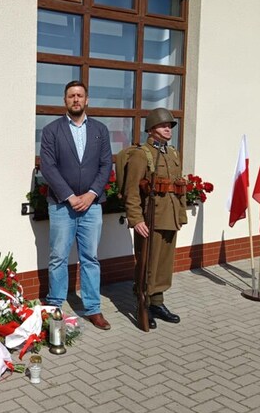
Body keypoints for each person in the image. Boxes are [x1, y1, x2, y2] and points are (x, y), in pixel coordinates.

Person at [39, 80, 113, 330]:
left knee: (90, 258)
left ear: (87, 99)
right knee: (58, 257)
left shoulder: (100, 130)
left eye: (80, 95)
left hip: (92, 205)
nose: (76, 99)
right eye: (71, 95)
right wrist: (70, 196)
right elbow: (48, 166)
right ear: (65, 100)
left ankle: (93, 308)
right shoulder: (52, 130)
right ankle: (55, 306)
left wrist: (91, 194)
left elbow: (106, 164)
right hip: (62, 205)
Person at [122, 108, 187, 328]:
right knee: (147, 264)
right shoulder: (142, 154)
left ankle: (157, 303)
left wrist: (181, 215)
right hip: (151, 219)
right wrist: (136, 220)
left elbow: (179, 186)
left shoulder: (173, 153)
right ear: (151, 129)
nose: (168, 129)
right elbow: (131, 190)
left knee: (164, 265)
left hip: (170, 217)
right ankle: (144, 303)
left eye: (170, 126)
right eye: (163, 125)